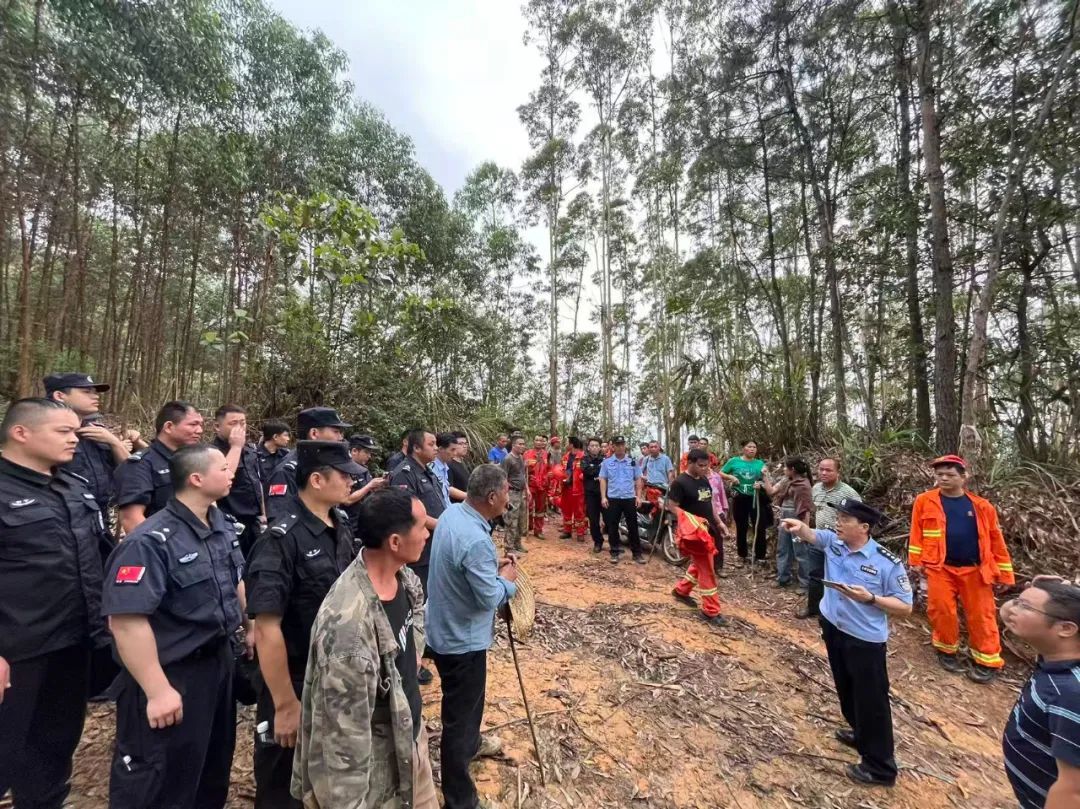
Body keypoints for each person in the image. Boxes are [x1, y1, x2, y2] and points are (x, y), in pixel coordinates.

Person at [102, 444, 248, 808]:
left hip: (218, 665)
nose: (231, 471)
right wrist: (156, 690)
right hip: (173, 672)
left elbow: (236, 580)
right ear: (197, 479)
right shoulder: (149, 542)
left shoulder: (222, 526)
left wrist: (250, 626)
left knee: (209, 768)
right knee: (160, 781)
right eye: (222, 468)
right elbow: (126, 620)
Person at [292, 487, 437, 809]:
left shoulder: (405, 579)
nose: (428, 532)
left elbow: (414, 626)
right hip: (373, 770)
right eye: (420, 526)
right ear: (395, 542)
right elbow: (342, 746)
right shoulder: (349, 632)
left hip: (408, 739)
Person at [0, 398, 111, 809]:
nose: (75, 440)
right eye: (63, 431)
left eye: (76, 431)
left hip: (72, 643)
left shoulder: (73, 486)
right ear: (21, 433)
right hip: (16, 652)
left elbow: (97, 556)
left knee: (53, 749)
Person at [245, 441, 362, 809]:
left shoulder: (338, 525)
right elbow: (267, 629)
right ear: (316, 479)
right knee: (284, 783)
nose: (350, 482)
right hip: (296, 677)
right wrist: (284, 704)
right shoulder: (279, 541)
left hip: (336, 676)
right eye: (344, 476)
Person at [782, 500, 913, 788]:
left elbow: (905, 607)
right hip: (833, 627)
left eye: (845, 519)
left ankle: (880, 767)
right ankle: (859, 732)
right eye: (838, 517)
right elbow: (811, 533)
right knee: (846, 686)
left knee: (872, 700)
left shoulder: (886, 562)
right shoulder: (834, 542)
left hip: (863, 639)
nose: (838, 522)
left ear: (864, 527)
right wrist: (796, 525)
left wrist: (870, 599)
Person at [426, 465, 519, 809]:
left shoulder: (452, 514)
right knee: (460, 717)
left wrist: (490, 570)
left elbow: (464, 569)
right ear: (492, 497)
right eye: (507, 493)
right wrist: (507, 580)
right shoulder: (477, 540)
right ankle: (460, 799)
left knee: (463, 707)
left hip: (443, 629)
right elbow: (489, 597)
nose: (509, 499)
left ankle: (470, 743)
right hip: (462, 642)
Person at [909, 454, 1015, 683]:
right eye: (939, 475)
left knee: (982, 614)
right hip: (940, 568)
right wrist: (915, 562)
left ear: (964, 477)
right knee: (941, 610)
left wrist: (1005, 574)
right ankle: (946, 651)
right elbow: (916, 533)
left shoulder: (982, 506)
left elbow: (996, 540)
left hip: (976, 570)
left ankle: (987, 660)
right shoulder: (925, 501)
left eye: (949, 474)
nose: (943, 478)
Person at [1000, 580, 1080, 809]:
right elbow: (1007, 613)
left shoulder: (1071, 694)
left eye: (1024, 606)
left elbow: (1073, 791)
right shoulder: (1055, 658)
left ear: (1066, 628)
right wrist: (1039, 590)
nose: (1011, 608)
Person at [389, 429, 445, 686]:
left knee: (427, 600)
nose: (436, 447)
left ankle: (424, 646)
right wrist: (446, 526)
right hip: (416, 551)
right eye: (431, 444)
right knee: (413, 605)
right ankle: (412, 660)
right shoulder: (404, 474)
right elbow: (411, 514)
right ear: (415, 448)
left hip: (431, 546)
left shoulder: (427, 471)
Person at [44, 372, 136, 529]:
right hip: (61, 522)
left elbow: (132, 474)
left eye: (95, 392)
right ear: (60, 395)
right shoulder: (42, 433)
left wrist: (115, 444)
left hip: (99, 519)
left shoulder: (99, 432)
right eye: (86, 392)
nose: (96, 397)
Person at [114, 400, 205, 535]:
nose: (200, 430)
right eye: (193, 424)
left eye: (201, 425)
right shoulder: (140, 465)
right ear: (168, 427)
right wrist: (163, 550)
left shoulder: (193, 461)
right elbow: (131, 519)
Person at [669, 448, 728, 626]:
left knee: (699, 564)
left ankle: (681, 591)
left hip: (708, 530)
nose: (705, 469)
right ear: (691, 463)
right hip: (695, 534)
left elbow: (709, 504)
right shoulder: (680, 482)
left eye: (707, 466)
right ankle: (710, 611)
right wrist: (692, 522)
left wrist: (719, 523)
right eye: (701, 466)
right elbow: (672, 506)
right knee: (707, 570)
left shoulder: (703, 480)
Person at [265, 407, 351, 520]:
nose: (340, 438)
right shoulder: (286, 472)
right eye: (336, 432)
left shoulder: (325, 464)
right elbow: (279, 520)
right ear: (314, 433)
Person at [803, 459, 861, 619]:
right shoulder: (816, 489)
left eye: (828, 470)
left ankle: (832, 613)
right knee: (815, 574)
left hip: (839, 542)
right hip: (819, 538)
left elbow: (858, 518)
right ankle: (813, 608)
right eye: (821, 469)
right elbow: (815, 510)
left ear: (838, 473)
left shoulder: (848, 493)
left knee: (836, 578)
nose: (823, 473)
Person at [211, 404, 266, 555]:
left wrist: (263, 513)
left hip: (254, 521)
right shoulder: (211, 453)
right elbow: (220, 479)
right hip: (229, 522)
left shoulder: (250, 450)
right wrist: (235, 447)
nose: (240, 428)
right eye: (233, 423)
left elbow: (257, 481)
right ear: (217, 426)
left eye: (242, 423)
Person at [759, 457, 813, 589]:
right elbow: (771, 491)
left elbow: (805, 509)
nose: (783, 469)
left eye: (785, 467)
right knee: (783, 548)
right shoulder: (786, 480)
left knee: (800, 551)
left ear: (792, 469)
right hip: (784, 517)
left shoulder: (803, 485)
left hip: (797, 518)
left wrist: (804, 530)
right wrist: (765, 476)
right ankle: (783, 578)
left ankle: (805, 583)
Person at [720, 440, 769, 568]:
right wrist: (731, 478)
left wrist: (761, 484)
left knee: (759, 526)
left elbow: (766, 478)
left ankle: (760, 556)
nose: (752, 449)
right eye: (749, 446)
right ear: (743, 449)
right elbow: (720, 472)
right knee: (741, 527)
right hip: (740, 497)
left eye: (754, 447)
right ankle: (742, 554)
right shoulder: (734, 461)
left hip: (756, 498)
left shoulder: (760, 463)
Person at [600, 435, 645, 564]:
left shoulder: (632, 461)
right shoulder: (607, 462)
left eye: (622, 444)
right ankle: (614, 552)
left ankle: (637, 553)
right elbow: (603, 479)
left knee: (633, 526)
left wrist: (639, 496)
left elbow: (638, 479)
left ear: (625, 446)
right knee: (612, 526)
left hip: (629, 498)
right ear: (613, 447)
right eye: (617, 445)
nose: (620, 447)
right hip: (613, 498)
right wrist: (603, 497)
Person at [342, 434, 386, 536]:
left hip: (365, 522)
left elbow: (367, 493)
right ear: (354, 451)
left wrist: (378, 485)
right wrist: (369, 486)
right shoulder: (344, 470)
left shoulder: (363, 469)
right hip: (351, 526)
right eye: (366, 452)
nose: (369, 456)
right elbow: (347, 500)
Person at [501, 435, 529, 553]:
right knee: (511, 520)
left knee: (520, 520)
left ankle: (518, 544)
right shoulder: (508, 459)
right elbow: (503, 477)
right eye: (520, 444)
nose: (522, 446)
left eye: (523, 444)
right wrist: (506, 495)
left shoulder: (521, 458)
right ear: (513, 445)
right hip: (512, 493)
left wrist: (527, 489)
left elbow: (522, 475)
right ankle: (509, 547)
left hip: (521, 493)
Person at [558, 436, 587, 540]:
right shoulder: (565, 457)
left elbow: (586, 471)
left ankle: (580, 533)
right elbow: (561, 470)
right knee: (566, 510)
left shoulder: (583, 457)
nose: (566, 445)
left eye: (567, 443)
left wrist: (582, 476)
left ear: (571, 444)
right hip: (566, 487)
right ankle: (567, 531)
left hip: (578, 488)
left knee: (579, 511)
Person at [581, 437, 606, 552]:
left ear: (600, 447)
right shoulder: (584, 459)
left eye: (597, 445)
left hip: (605, 493)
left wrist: (595, 471)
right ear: (588, 447)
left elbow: (606, 473)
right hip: (591, 493)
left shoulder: (606, 459)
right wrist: (598, 471)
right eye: (592, 445)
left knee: (609, 518)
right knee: (594, 519)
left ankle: (614, 542)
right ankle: (598, 542)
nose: (594, 447)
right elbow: (587, 471)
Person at [523, 434, 550, 536]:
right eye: (537, 440)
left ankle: (538, 530)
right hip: (531, 484)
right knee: (528, 506)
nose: (539, 442)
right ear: (533, 441)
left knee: (540, 509)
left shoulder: (547, 454)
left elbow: (549, 468)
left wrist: (548, 477)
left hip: (543, 485)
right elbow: (522, 469)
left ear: (543, 443)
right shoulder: (527, 453)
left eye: (541, 441)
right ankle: (527, 526)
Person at [434, 432, 466, 507]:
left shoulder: (445, 466)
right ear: (441, 449)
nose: (455, 453)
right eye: (452, 450)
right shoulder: (432, 468)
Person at [257, 421, 291, 486]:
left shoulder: (287, 455)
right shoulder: (255, 455)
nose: (288, 439)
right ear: (275, 437)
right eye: (285, 435)